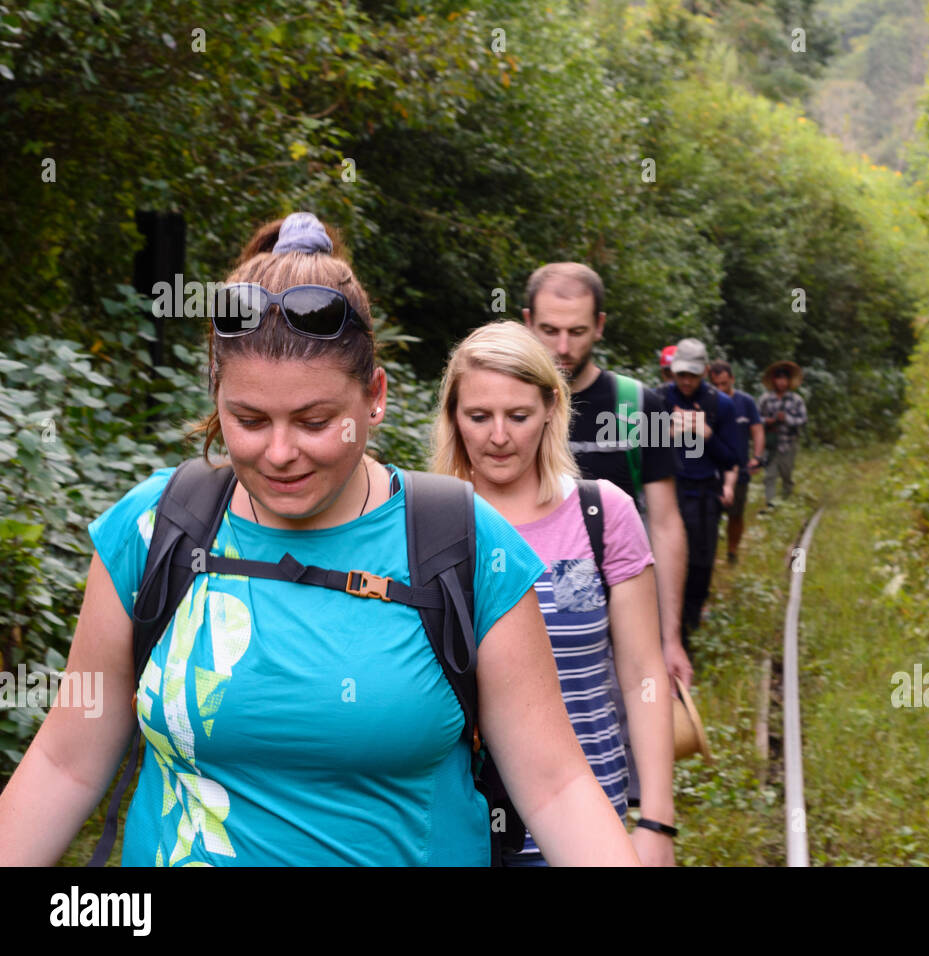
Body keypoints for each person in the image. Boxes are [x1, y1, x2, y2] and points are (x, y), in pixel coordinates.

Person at [0, 213, 639, 867]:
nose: (280, 453)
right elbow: (63, 763)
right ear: (217, 399)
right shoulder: (157, 527)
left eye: (314, 421)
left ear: (375, 396)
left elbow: (557, 787)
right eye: (248, 419)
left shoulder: (461, 543)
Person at [432, 321, 675, 866]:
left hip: (583, 820)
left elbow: (643, 674)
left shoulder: (601, 513)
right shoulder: (423, 526)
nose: (500, 436)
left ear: (550, 409)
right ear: (453, 417)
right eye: (479, 416)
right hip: (458, 828)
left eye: (518, 416)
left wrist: (657, 819)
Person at [522, 263, 690, 688]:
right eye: (549, 330)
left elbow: (665, 523)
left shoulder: (638, 406)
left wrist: (669, 637)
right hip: (516, 605)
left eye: (576, 332)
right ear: (527, 322)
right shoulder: (503, 406)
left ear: (599, 326)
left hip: (617, 611)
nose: (562, 347)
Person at [658, 338, 741, 647]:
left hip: (704, 494)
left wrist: (705, 434)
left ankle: (691, 624)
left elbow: (733, 457)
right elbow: (637, 448)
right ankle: (667, 627)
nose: (687, 381)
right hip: (667, 491)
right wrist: (668, 431)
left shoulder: (722, 405)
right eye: (681, 374)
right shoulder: (659, 399)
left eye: (693, 374)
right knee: (664, 558)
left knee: (700, 562)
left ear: (705, 371)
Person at [708, 360, 764, 564]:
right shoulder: (707, 402)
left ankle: (732, 551)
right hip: (713, 469)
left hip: (739, 467)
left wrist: (757, 456)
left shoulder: (745, 402)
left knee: (736, 513)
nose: (721, 389)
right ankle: (708, 555)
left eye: (725, 383)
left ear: (732, 379)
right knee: (709, 515)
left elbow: (757, 430)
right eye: (717, 385)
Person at [758, 360, 808, 508]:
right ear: (774, 380)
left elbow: (803, 420)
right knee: (770, 474)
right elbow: (755, 419)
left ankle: (787, 498)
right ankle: (770, 503)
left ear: (788, 380)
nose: (781, 382)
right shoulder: (765, 399)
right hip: (771, 442)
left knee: (786, 473)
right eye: (778, 379)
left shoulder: (796, 400)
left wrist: (787, 419)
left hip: (789, 442)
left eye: (784, 379)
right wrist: (768, 421)